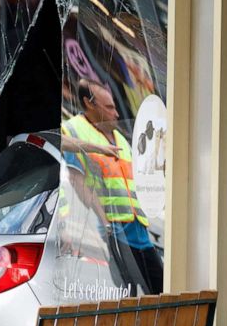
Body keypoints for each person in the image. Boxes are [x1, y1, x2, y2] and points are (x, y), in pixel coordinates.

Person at [61, 79, 163, 295]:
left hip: (139, 230)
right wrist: (106, 225)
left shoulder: (121, 139)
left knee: (159, 290)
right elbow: (78, 182)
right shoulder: (73, 131)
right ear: (89, 104)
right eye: (109, 107)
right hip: (114, 232)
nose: (117, 113)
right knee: (125, 296)